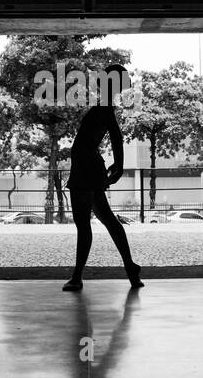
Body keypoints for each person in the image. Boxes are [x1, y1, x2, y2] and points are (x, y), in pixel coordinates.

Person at [62, 64, 144, 290]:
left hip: (85, 169)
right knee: (108, 220)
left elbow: (116, 137)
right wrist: (118, 164)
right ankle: (130, 268)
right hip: (89, 167)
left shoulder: (105, 107)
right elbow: (115, 137)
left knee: (85, 224)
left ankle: (78, 276)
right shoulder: (106, 107)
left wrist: (120, 164)